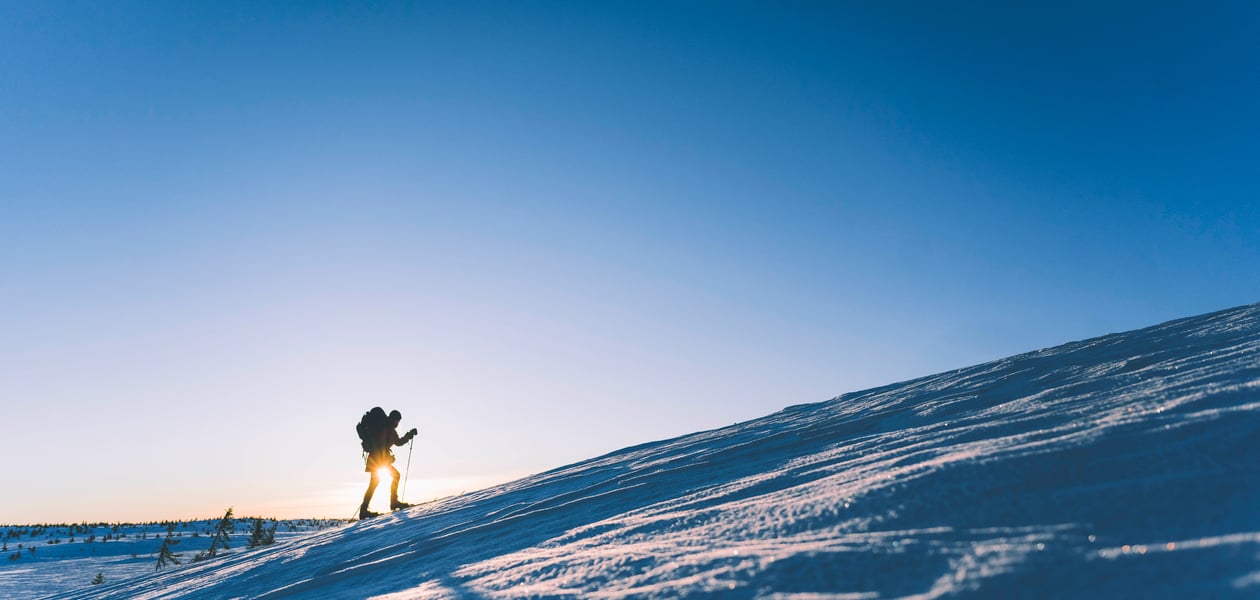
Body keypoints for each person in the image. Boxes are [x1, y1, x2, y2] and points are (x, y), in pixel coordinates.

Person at [359, 409, 418, 519]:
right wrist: (410, 434)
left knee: (374, 484)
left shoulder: (383, 426)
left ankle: (364, 510)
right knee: (394, 476)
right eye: (398, 421)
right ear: (394, 419)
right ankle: (393, 502)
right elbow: (398, 442)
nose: (397, 423)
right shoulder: (389, 428)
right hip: (379, 460)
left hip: (374, 459)